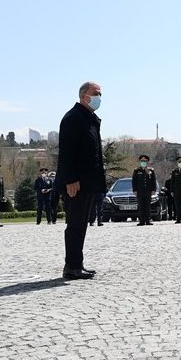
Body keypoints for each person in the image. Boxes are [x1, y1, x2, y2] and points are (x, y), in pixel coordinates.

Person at [56, 81, 105, 280]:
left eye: (100, 94)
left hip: (87, 183)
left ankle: (78, 263)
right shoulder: (73, 118)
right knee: (75, 224)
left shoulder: (89, 118)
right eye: (96, 94)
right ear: (84, 96)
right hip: (75, 183)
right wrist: (71, 179)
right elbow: (67, 152)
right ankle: (71, 266)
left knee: (82, 223)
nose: (99, 98)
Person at [132, 154, 157, 225]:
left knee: (147, 206)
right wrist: (135, 190)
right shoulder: (137, 170)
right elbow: (134, 181)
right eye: (142, 161)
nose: (143, 162)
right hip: (140, 191)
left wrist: (153, 190)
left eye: (145, 161)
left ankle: (148, 220)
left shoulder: (150, 170)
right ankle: (142, 221)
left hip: (148, 191)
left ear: (147, 162)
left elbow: (153, 181)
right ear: (140, 162)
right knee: (141, 206)